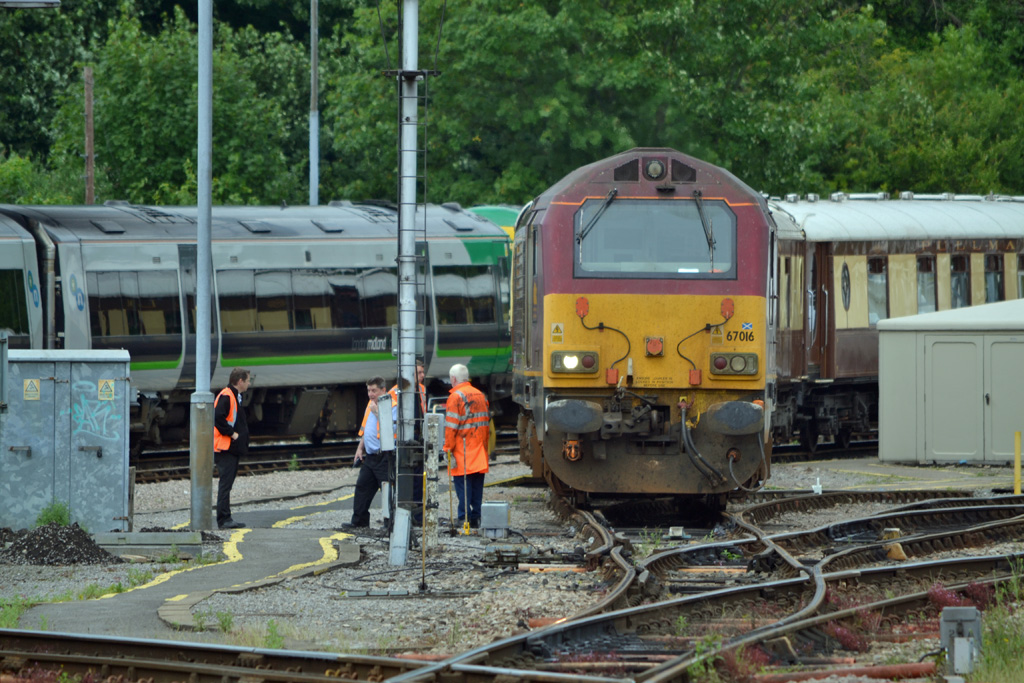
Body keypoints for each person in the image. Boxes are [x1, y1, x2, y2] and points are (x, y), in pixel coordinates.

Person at [344, 376, 397, 530]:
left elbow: (390, 429)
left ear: (383, 390)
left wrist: (377, 412)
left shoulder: (392, 406)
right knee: (362, 487)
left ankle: (390, 523)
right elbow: (367, 428)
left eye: (374, 390)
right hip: (371, 456)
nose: (370, 394)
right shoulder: (371, 404)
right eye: (368, 390)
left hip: (385, 456)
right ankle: (359, 521)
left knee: (387, 490)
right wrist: (360, 448)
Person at [442, 363, 490, 529]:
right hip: (479, 449)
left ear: (453, 379)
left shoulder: (455, 397)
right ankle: (476, 518)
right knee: (477, 486)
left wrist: (447, 448)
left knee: (463, 486)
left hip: (463, 449)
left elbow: (451, 427)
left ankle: (464, 518)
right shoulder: (481, 395)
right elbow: (486, 424)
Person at [213, 368, 251, 529]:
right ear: (240, 381)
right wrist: (233, 434)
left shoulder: (233, 396)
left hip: (230, 448)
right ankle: (223, 519)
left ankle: (226, 518)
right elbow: (217, 418)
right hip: (225, 447)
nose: (249, 383)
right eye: (248, 380)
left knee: (226, 484)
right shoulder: (227, 396)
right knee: (225, 484)